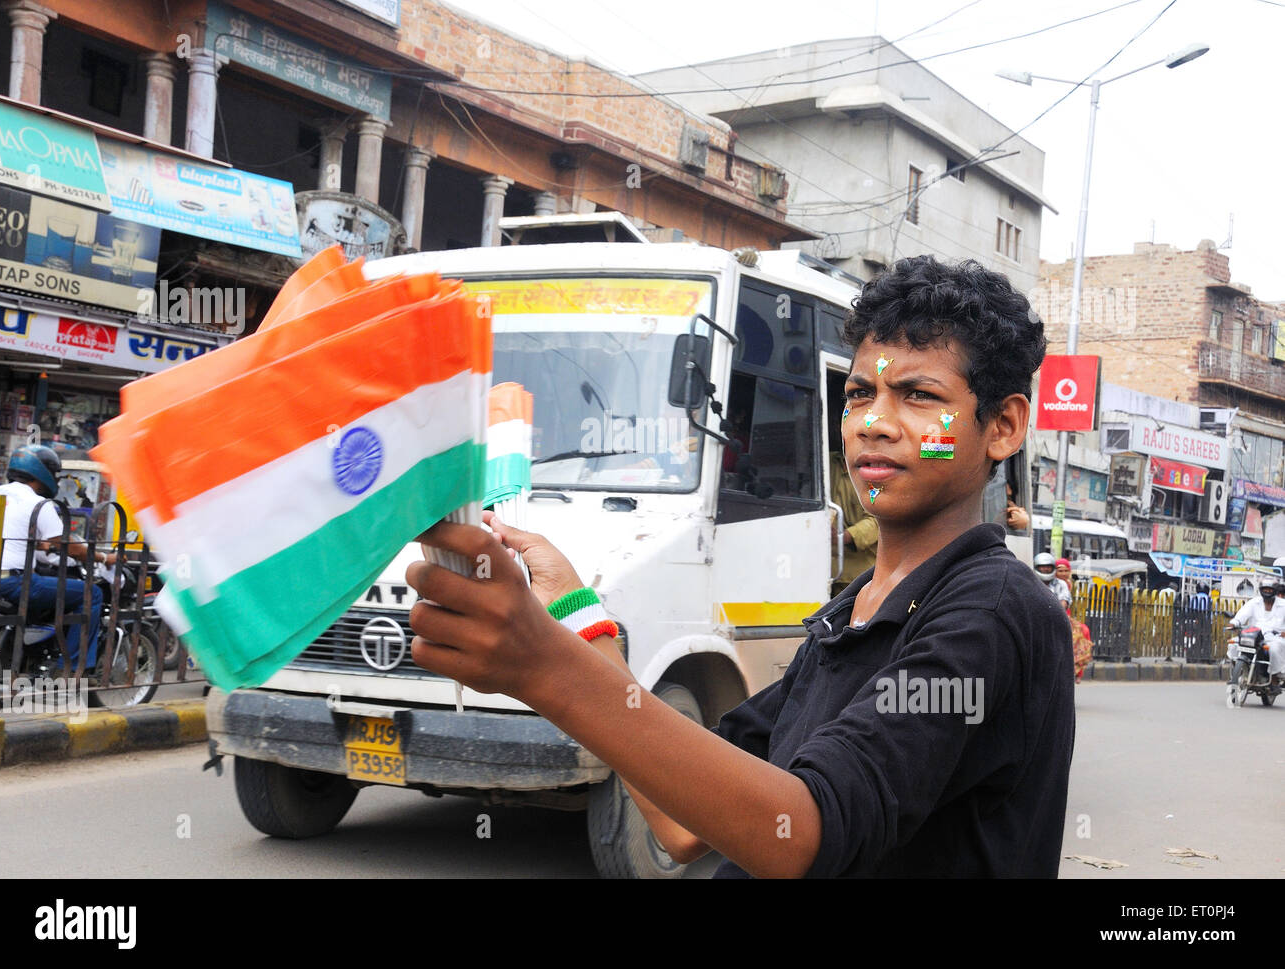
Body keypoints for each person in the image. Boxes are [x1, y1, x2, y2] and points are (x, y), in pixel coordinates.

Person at [405, 255, 1075, 877]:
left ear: (1003, 426)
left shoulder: (991, 610)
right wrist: (575, 613)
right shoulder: (853, 613)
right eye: (858, 393)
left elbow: (798, 833)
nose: (873, 420)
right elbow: (680, 823)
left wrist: (542, 664)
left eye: (919, 395)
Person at [0, 445, 114, 675]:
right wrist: (103, 557)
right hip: (13, 583)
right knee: (91, 593)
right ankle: (69, 669)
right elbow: (71, 548)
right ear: (43, 473)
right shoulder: (38, 504)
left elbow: (26, 540)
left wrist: (42, 545)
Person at [829, 449, 878, 598]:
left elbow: (878, 520)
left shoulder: (876, 470)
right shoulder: (827, 460)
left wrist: (843, 537)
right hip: (821, 571)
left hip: (856, 575)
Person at [1228, 578, 1285, 686]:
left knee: (1274, 649)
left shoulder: (1283, 604)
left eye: (1270, 590)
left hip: (1274, 638)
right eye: (1265, 589)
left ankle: (1274, 676)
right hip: (1252, 636)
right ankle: (1238, 670)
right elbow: (1242, 615)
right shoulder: (1254, 602)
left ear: (1275, 590)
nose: (1267, 592)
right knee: (1234, 644)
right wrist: (1234, 623)